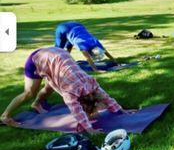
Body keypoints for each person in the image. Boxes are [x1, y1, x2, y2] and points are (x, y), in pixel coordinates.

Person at [0, 47, 130, 133]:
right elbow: (77, 111)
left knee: (49, 87)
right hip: (38, 59)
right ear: (83, 104)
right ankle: (5, 116)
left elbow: (105, 97)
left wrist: (120, 110)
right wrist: (90, 129)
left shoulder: (91, 83)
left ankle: (37, 103)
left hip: (56, 55)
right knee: (29, 93)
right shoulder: (70, 92)